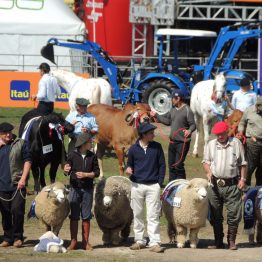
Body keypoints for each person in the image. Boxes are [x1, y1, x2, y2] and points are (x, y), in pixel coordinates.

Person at [202, 121, 247, 250]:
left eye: (222, 134)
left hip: (232, 185)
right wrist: (209, 171)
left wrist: (243, 179)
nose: (220, 137)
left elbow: (242, 163)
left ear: (227, 132)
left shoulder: (236, 143)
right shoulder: (211, 144)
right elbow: (205, 162)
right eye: (217, 134)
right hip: (215, 184)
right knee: (215, 213)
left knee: (234, 213)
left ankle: (231, 241)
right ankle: (218, 241)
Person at [126, 122, 166, 253]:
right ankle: (139, 240)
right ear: (143, 134)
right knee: (137, 214)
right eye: (151, 133)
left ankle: (154, 242)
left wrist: (158, 184)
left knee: (153, 215)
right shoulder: (133, 149)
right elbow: (129, 165)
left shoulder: (157, 147)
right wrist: (129, 170)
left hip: (153, 186)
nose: (153, 134)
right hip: (137, 185)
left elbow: (162, 166)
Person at [63, 132, 100, 251]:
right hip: (74, 189)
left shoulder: (92, 156)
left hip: (88, 190)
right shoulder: (72, 155)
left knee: (86, 216)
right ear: (84, 144)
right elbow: (67, 171)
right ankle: (73, 241)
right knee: (74, 216)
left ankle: (85, 242)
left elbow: (97, 173)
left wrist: (86, 174)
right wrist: (65, 169)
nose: (92, 143)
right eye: (90, 141)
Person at [150, 89, 196, 181]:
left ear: (178, 98)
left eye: (173, 99)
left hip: (183, 143)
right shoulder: (173, 110)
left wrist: (189, 131)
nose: (171, 100)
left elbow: (193, 124)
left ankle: (181, 186)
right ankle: (172, 186)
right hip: (172, 142)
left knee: (178, 165)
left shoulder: (187, 110)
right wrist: (156, 116)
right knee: (171, 166)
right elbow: (167, 121)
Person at [0, 122, 31, 248]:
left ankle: (18, 237)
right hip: (1, 185)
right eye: (5, 132)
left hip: (17, 183)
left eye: (10, 132)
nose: (8, 134)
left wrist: (23, 179)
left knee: (17, 210)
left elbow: (28, 160)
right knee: (5, 212)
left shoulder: (21, 143)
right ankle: (8, 237)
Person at [237, 96, 262, 186]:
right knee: (249, 168)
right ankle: (245, 191)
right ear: (257, 105)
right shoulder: (249, 110)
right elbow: (242, 122)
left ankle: (259, 193)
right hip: (252, 143)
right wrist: (240, 131)